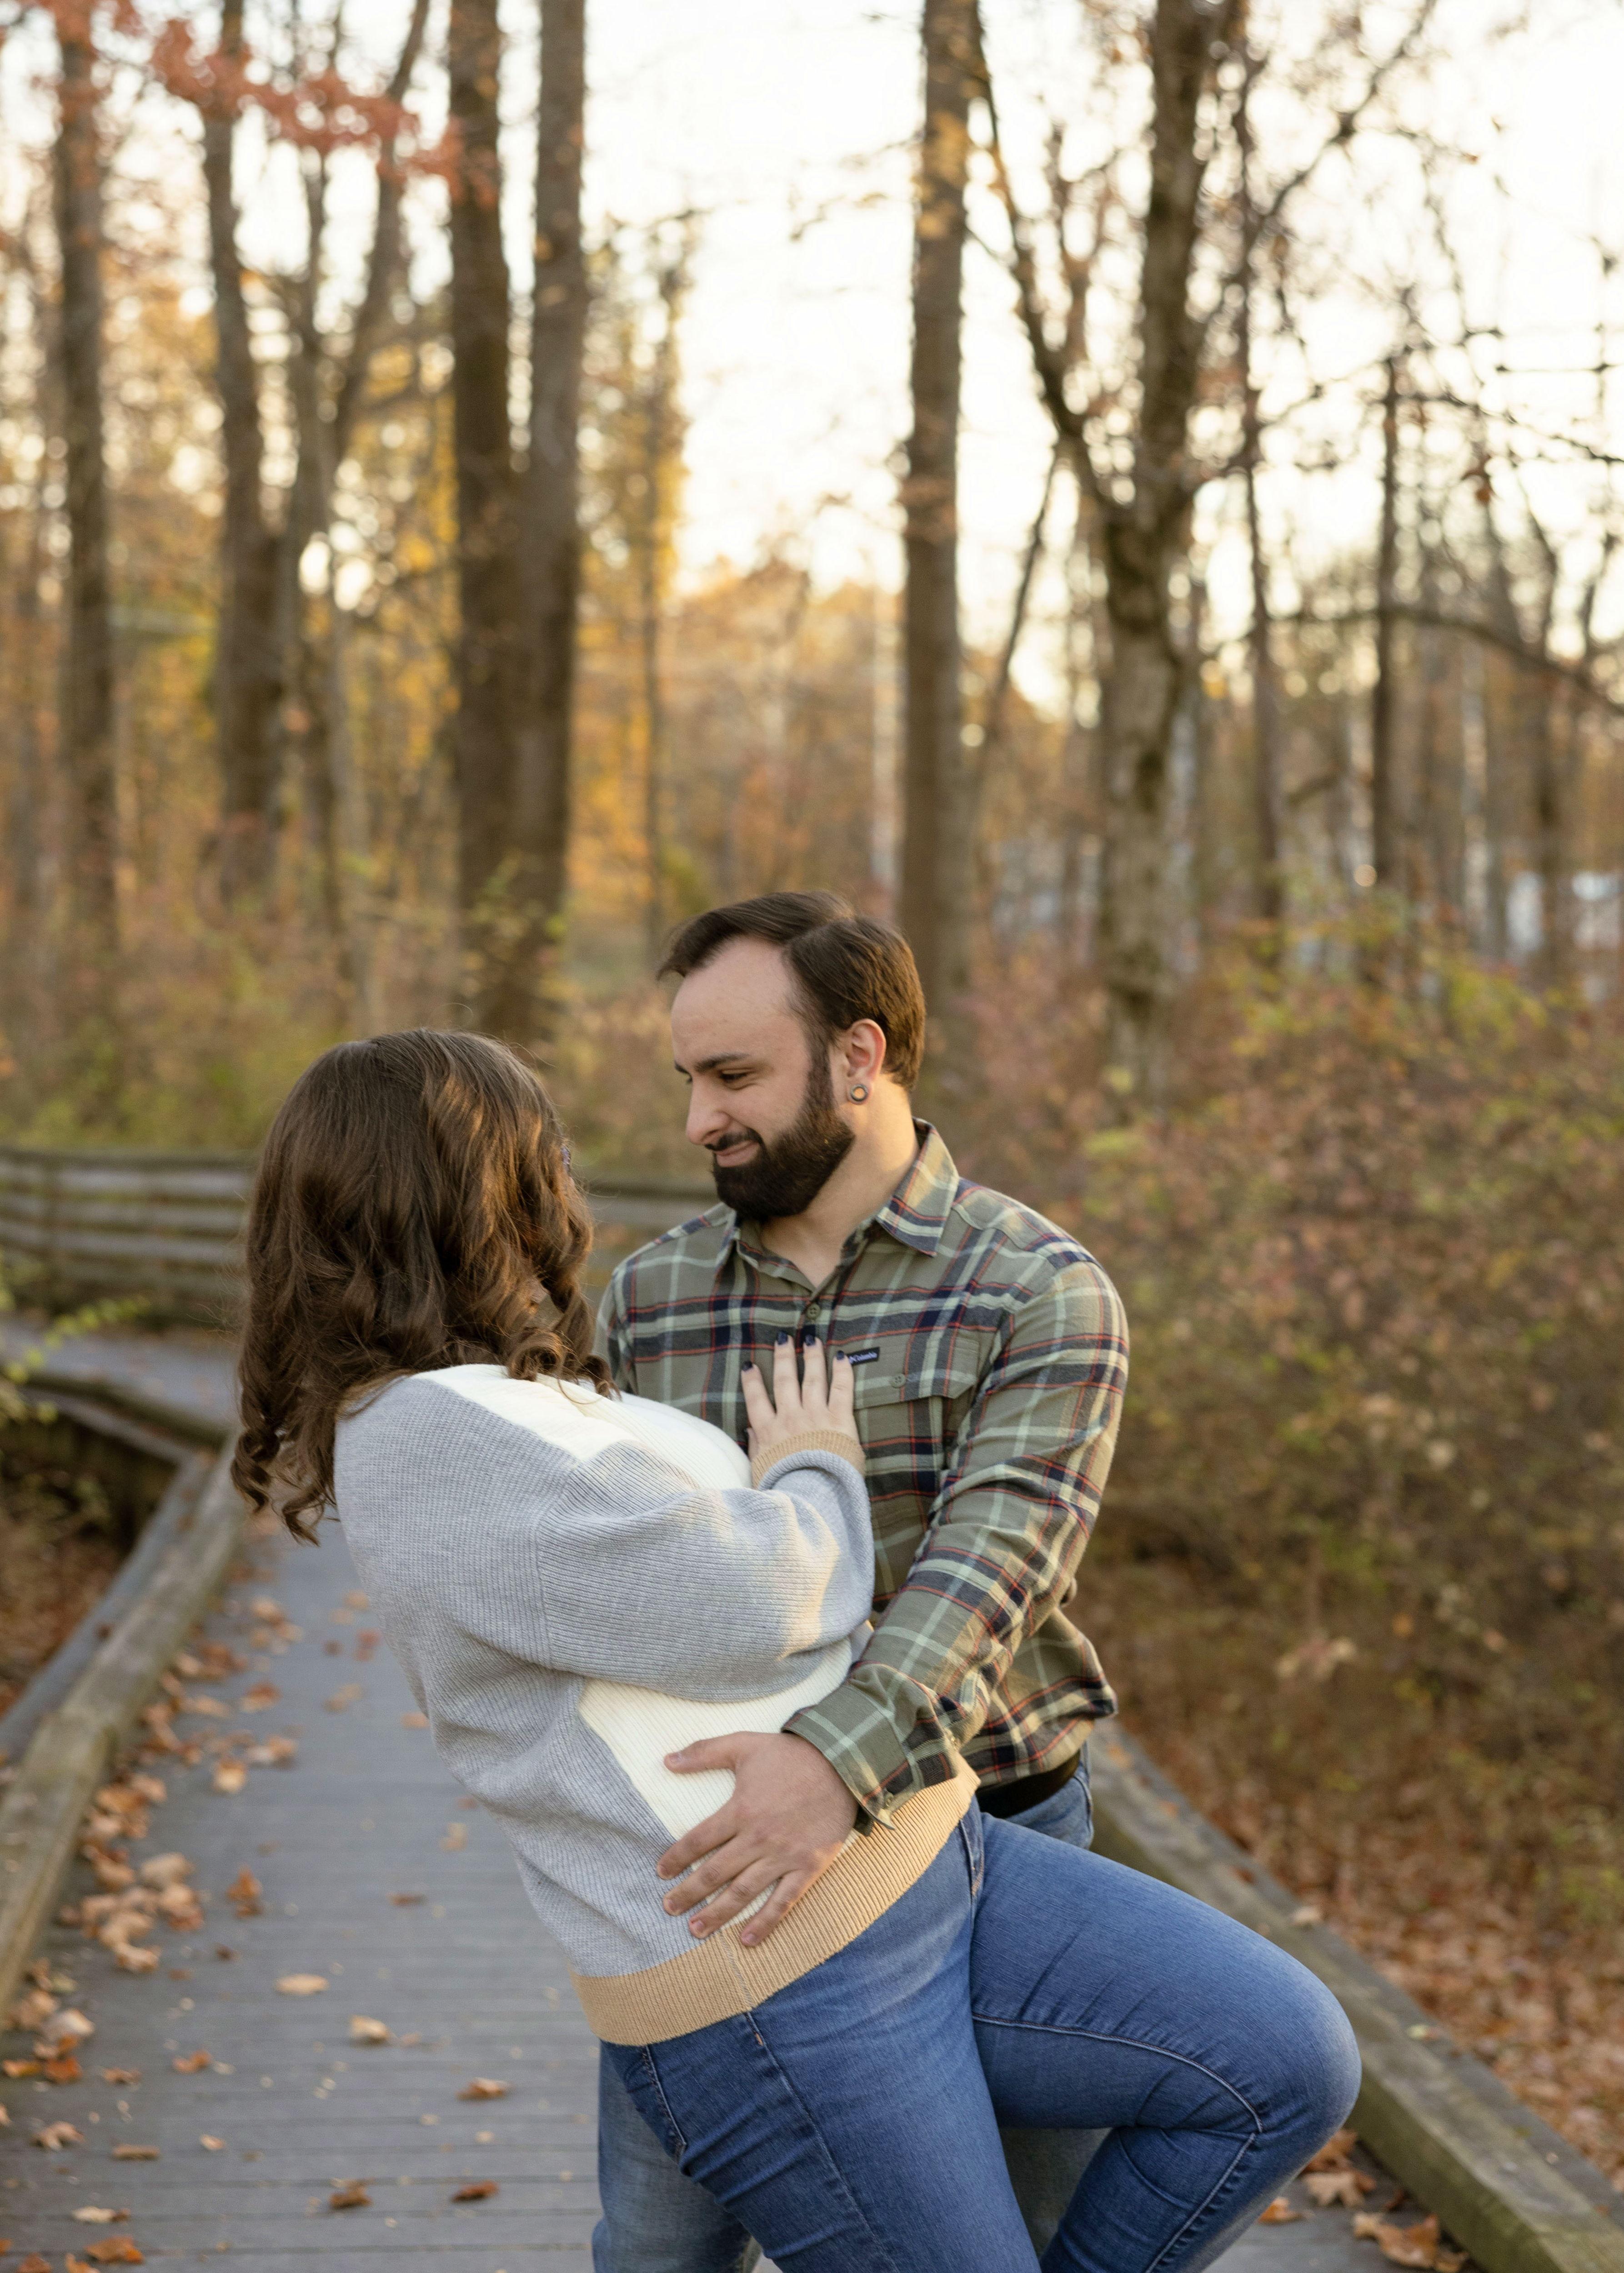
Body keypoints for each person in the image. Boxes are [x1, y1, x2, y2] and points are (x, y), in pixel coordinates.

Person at [232, 1026, 1360, 2273]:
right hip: (777, 1977)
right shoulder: (432, 1437)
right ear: (466, 1190)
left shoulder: (502, 1397)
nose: (570, 1171)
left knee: (1279, 2061)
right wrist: (815, 1463)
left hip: (936, 1856)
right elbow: (759, 1597)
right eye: (536, 1147)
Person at [594, 891, 1122, 2266]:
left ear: (859, 1057)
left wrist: (828, 1766)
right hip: (718, 1866)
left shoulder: (1037, 1293)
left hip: (997, 1848)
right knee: (656, 2254)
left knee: (1008, 2241)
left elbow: (987, 1579)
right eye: (688, 1081)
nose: (698, 1118)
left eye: (732, 1076)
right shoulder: (648, 1303)